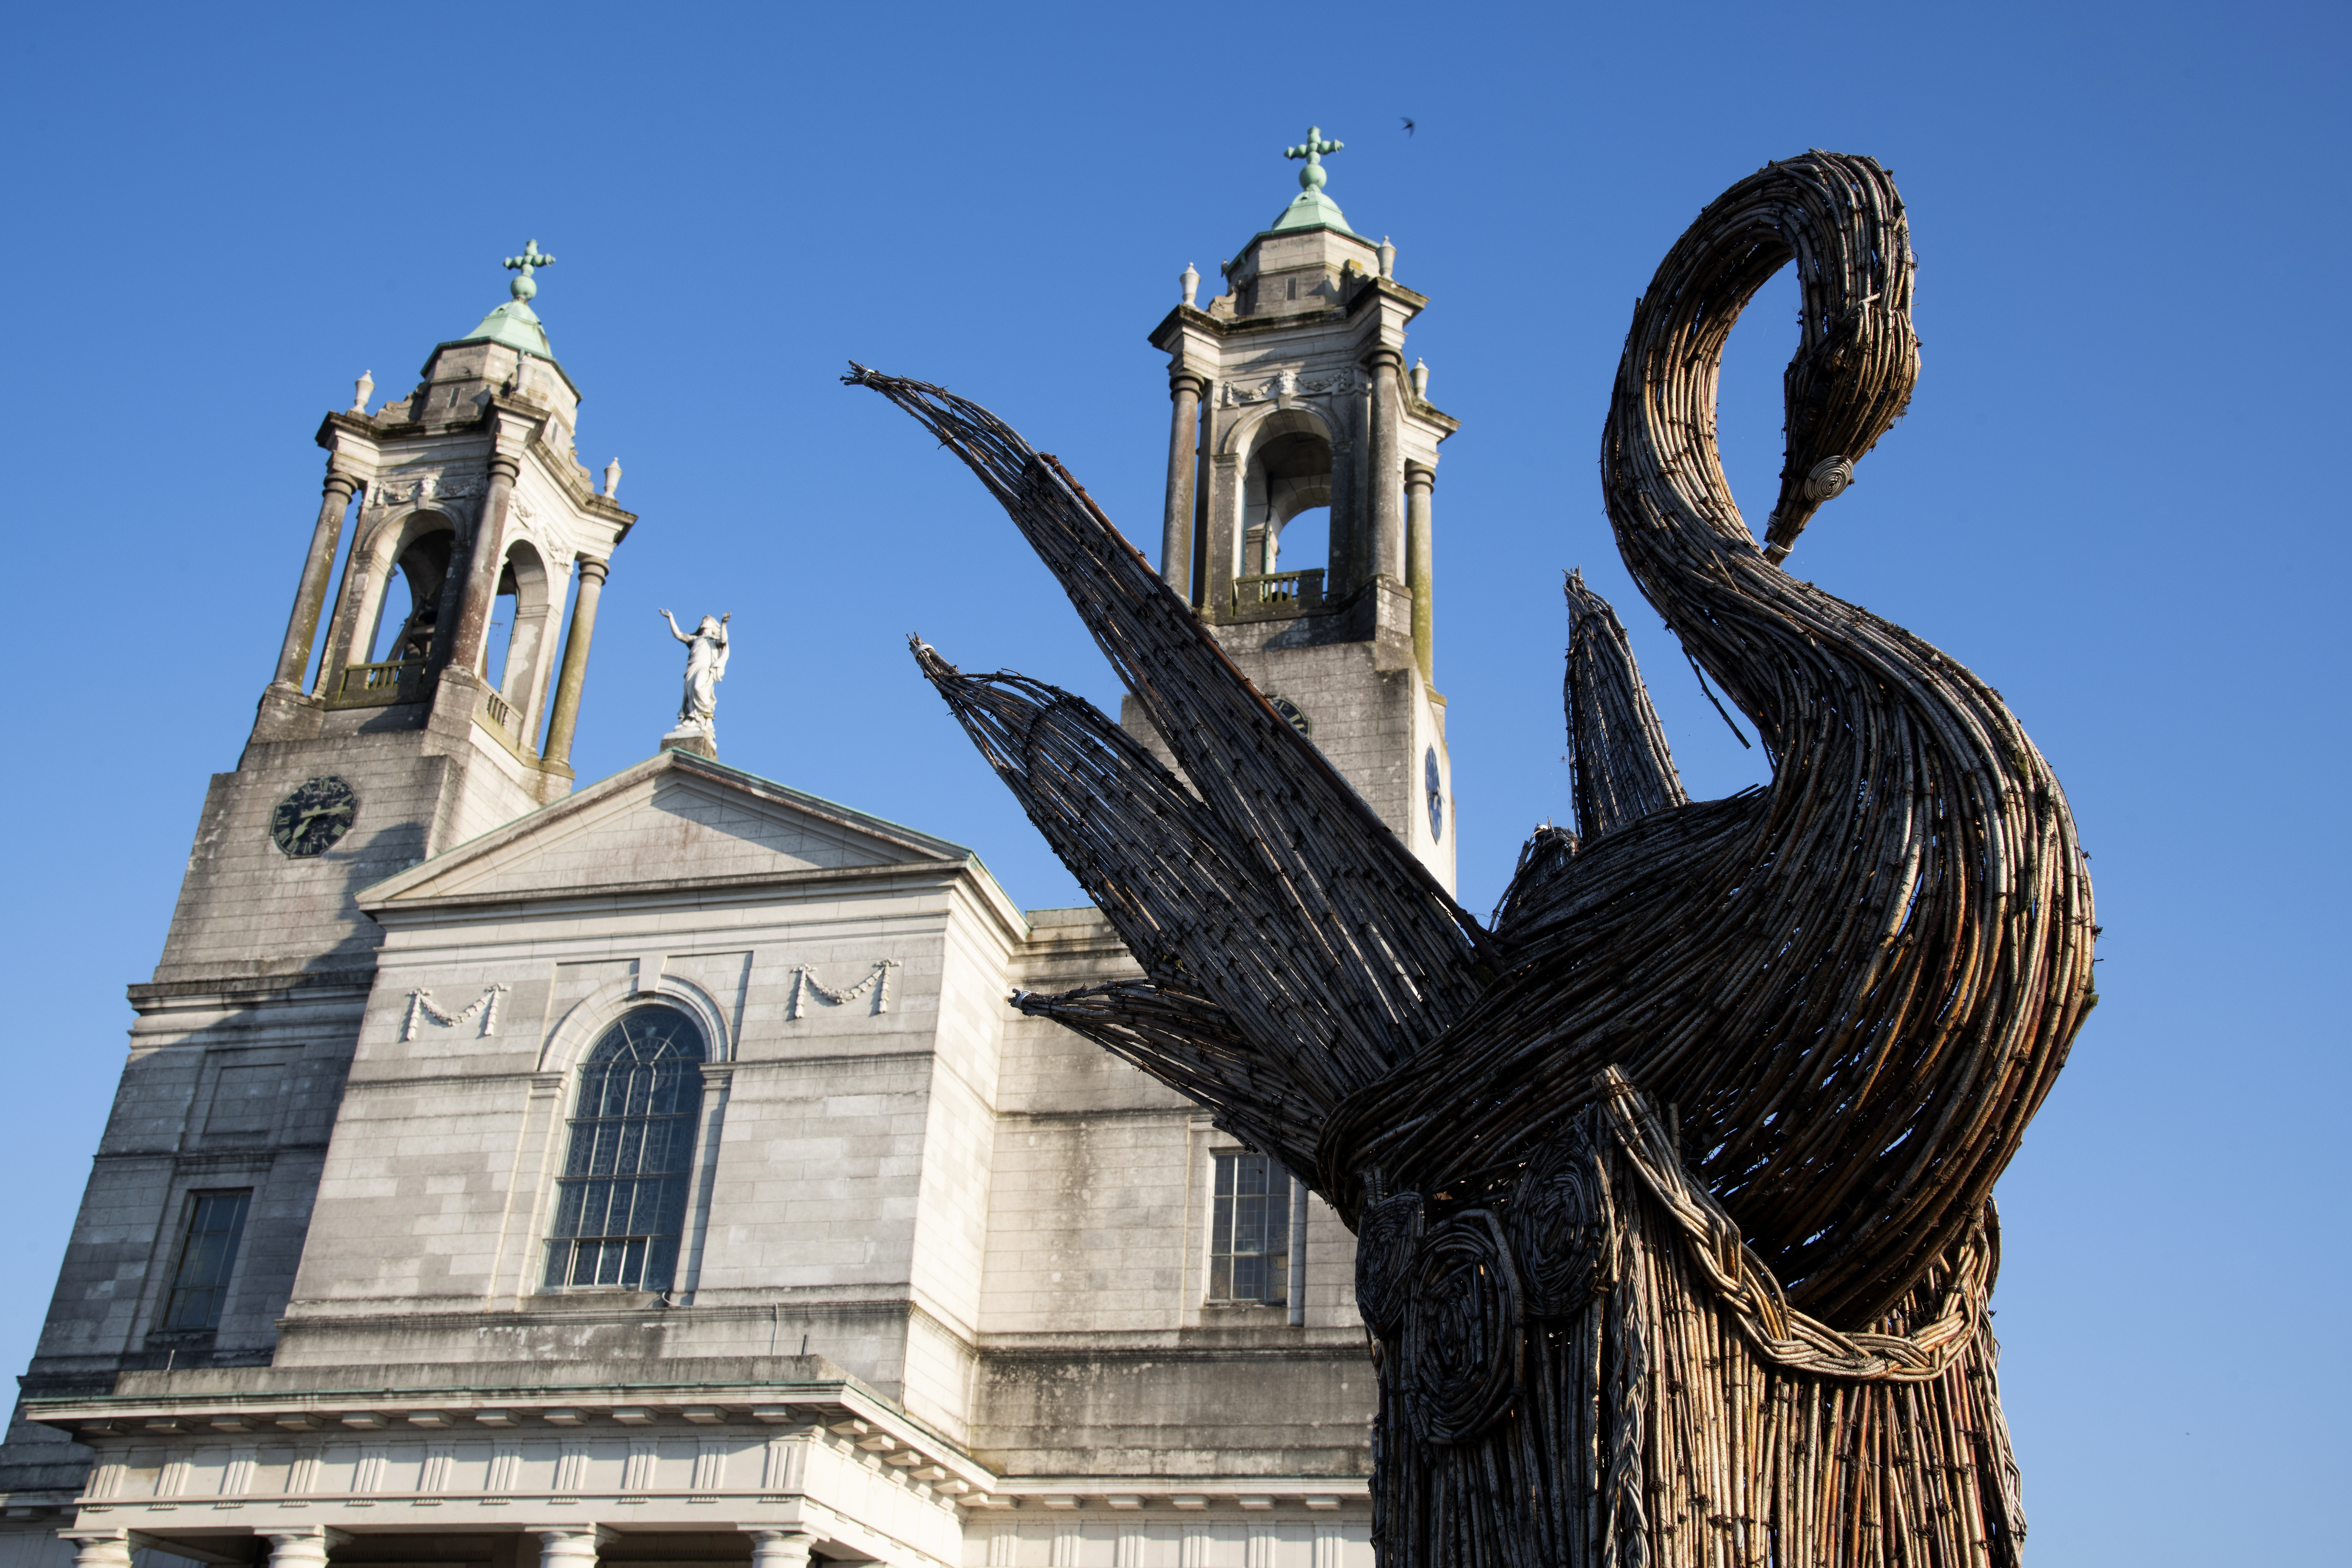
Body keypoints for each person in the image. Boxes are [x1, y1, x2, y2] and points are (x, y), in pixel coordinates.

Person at [659, 609, 730, 730]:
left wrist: (724, 624)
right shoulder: (695, 639)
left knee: (699, 687)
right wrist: (671, 617)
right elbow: (678, 635)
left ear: (713, 626)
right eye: (704, 620)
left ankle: (704, 715)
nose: (704, 621)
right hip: (692, 669)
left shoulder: (713, 640)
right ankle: (693, 718)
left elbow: (723, 640)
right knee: (690, 693)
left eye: (707, 620)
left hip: (705, 668)